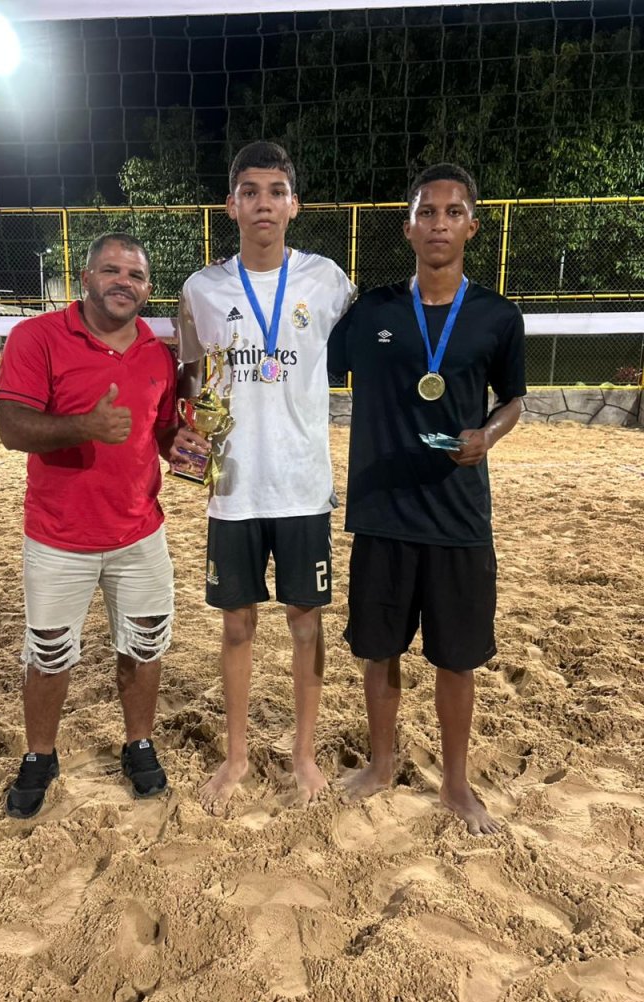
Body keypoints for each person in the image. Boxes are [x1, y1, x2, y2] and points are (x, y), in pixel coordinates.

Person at [328, 164, 526, 836]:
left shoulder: (497, 316)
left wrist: (487, 436)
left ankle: (457, 784)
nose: (439, 223)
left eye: (453, 212)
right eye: (427, 212)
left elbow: (515, 399)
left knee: (456, 659)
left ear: (472, 226)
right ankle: (382, 765)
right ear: (407, 226)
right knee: (378, 649)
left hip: (458, 516)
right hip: (382, 512)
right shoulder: (373, 311)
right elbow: (305, 365)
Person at [172, 141, 356, 815]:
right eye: (249, 191)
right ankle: (237, 757)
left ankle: (304, 756)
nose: (263, 203)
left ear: (294, 205)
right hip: (234, 488)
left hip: (303, 486)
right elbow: (189, 373)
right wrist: (188, 429)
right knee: (237, 627)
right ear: (231, 206)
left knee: (306, 625)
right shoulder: (201, 289)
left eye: (276, 191)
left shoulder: (327, 280)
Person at [0, 232, 178, 819]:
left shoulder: (157, 352)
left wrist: (188, 447)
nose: (124, 282)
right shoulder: (36, 337)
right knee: (49, 653)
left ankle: (139, 744)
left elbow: (162, 432)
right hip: (58, 536)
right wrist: (85, 426)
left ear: (148, 289)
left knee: (145, 643)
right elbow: (12, 429)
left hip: (140, 532)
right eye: (111, 270)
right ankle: (40, 755)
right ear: (85, 278)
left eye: (136, 275)